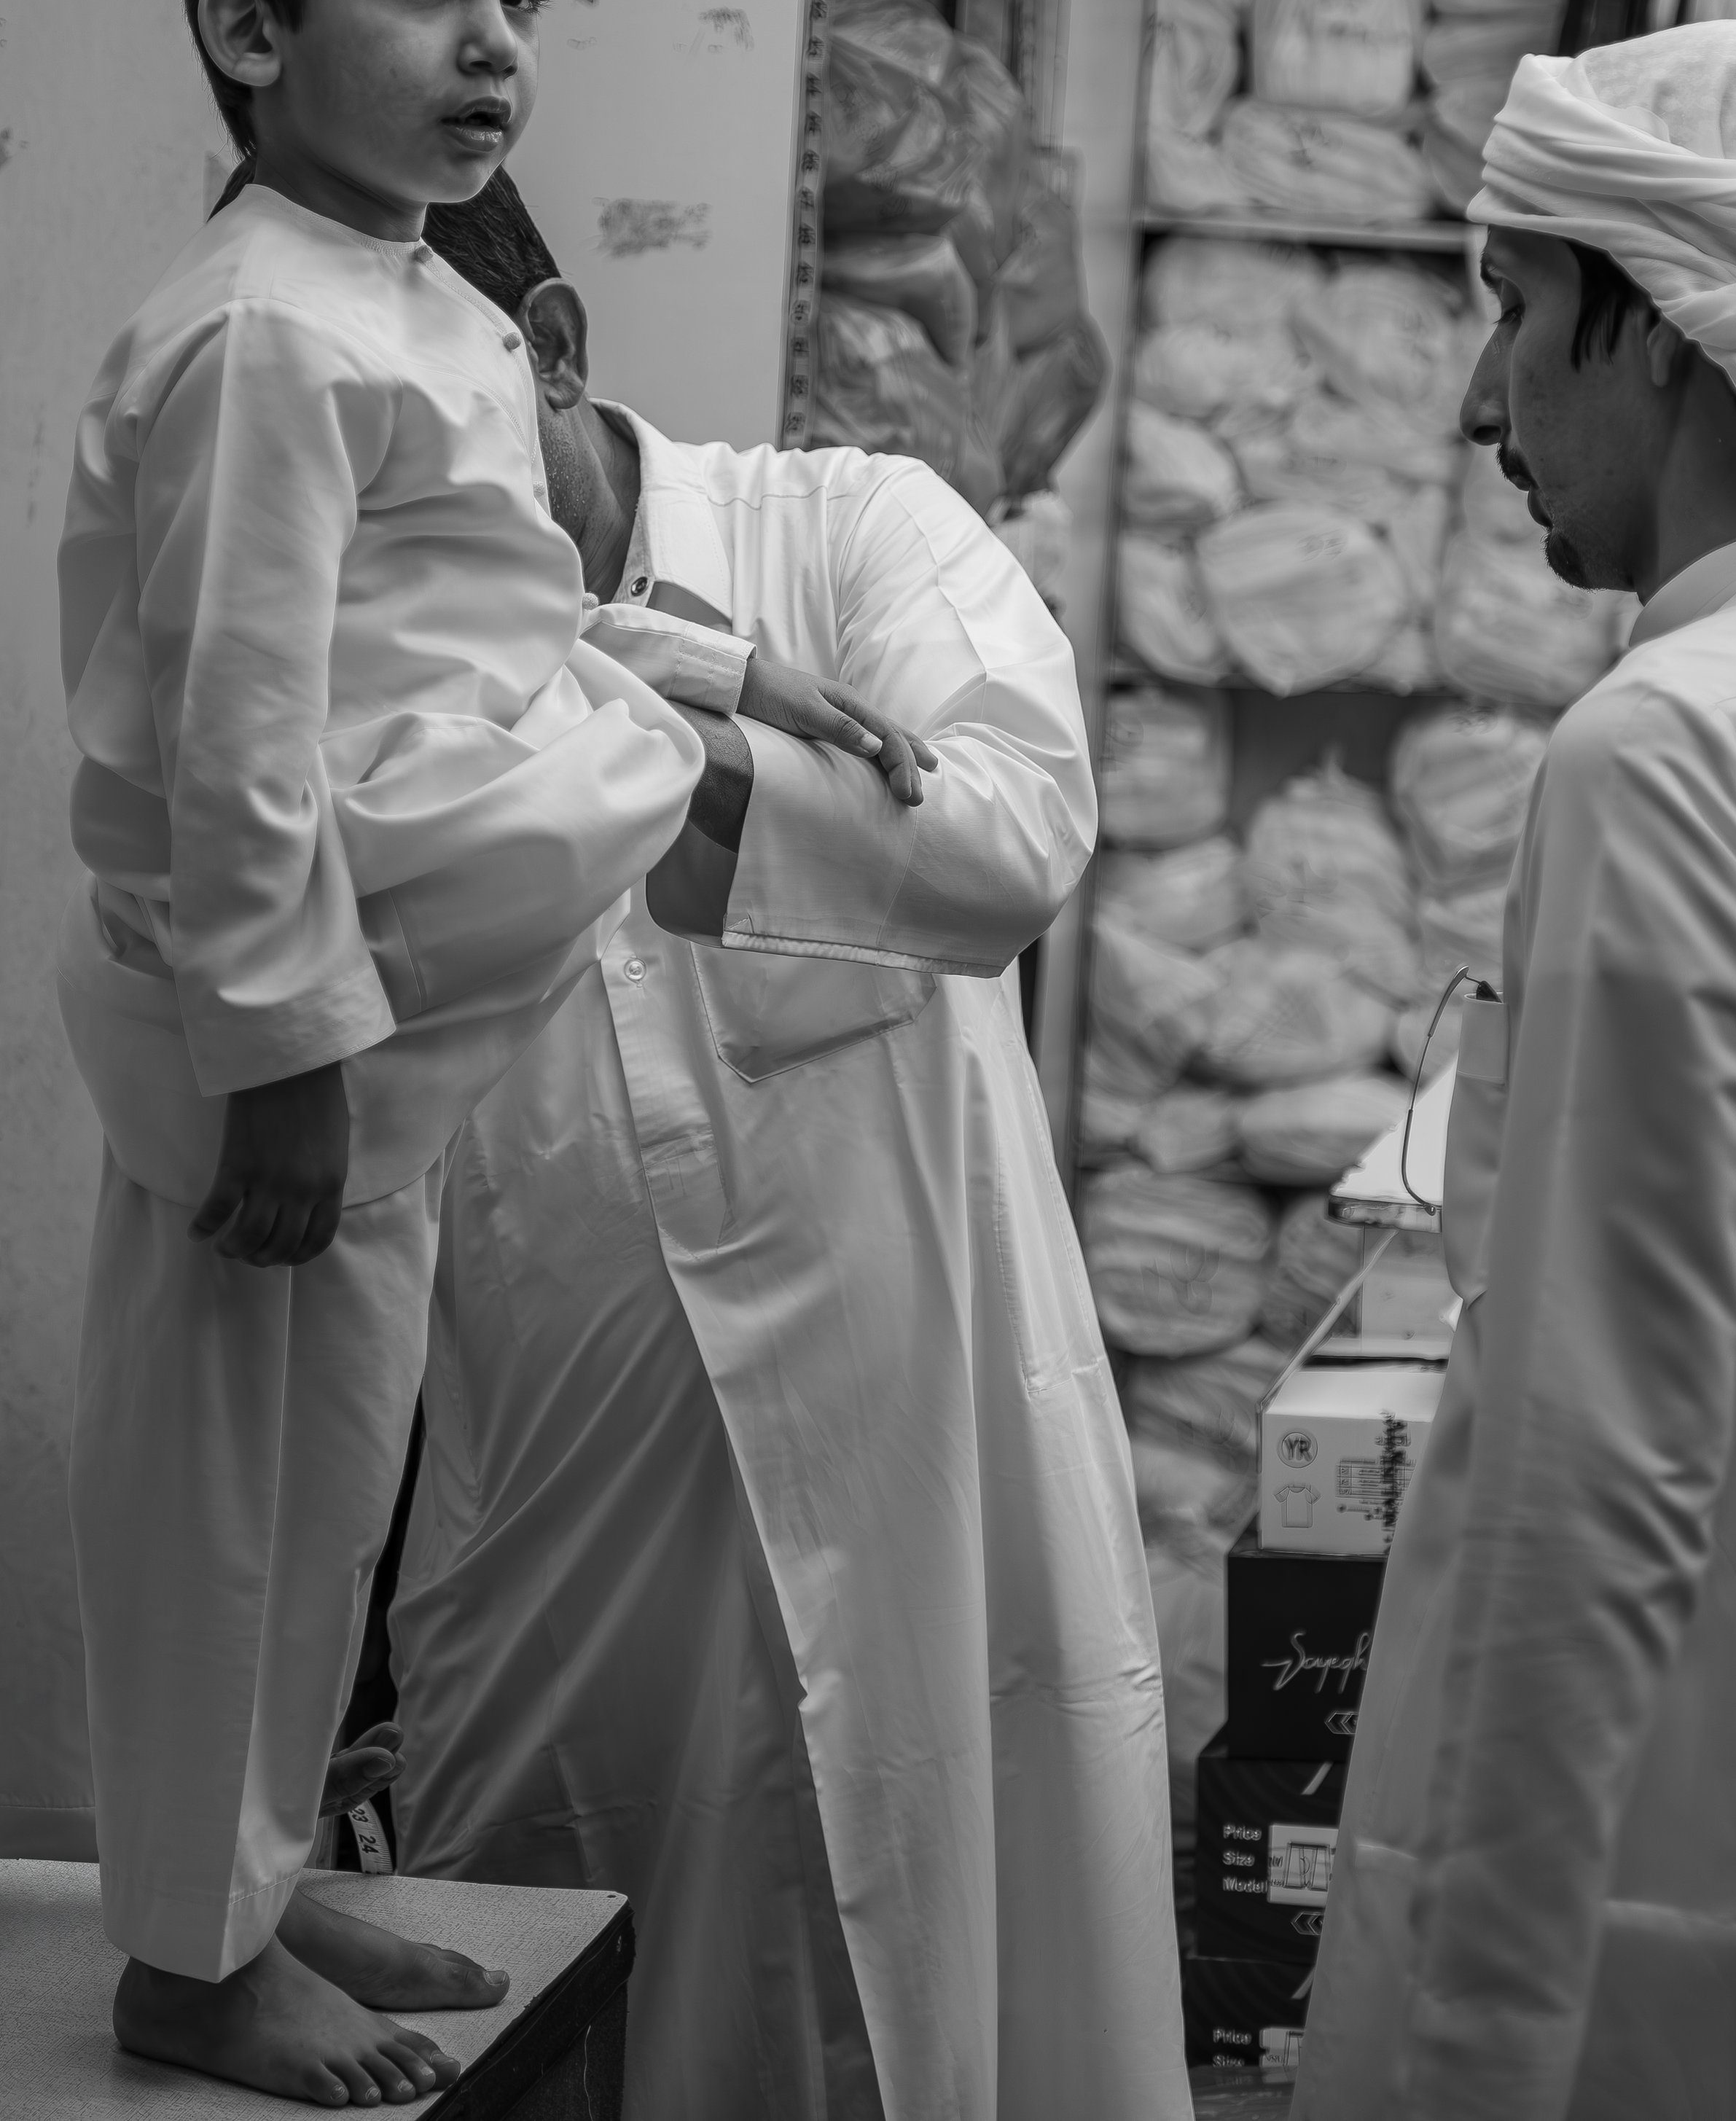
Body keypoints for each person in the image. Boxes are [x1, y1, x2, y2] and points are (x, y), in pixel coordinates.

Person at [58, 0, 915, 2112]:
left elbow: (507, 621)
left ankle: (241, 1874)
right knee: (228, 1497)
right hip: (285, 1036)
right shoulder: (264, 334)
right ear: (253, 32)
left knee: (330, 1493)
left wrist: (753, 670)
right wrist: (287, 1059)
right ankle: (183, 1959)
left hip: (393, 1018)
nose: (494, 41)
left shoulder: (417, 297)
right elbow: (236, 743)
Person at [382, 173, 1192, 2121]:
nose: (398, 509)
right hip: (561, 1561)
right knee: (560, 2009)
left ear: (555, 350)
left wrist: (680, 716)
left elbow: (1005, 835)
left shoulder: (845, 533)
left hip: (920, 1517)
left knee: (933, 2007)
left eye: (434, 436)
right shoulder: (386, 669)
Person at [1293, 20, 1736, 2120]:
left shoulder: (1676, 741)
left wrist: (1476, 2035)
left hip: (1640, 1874)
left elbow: (1596, 1460)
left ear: (1666, 323)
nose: (1475, 393)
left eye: (1513, 302)